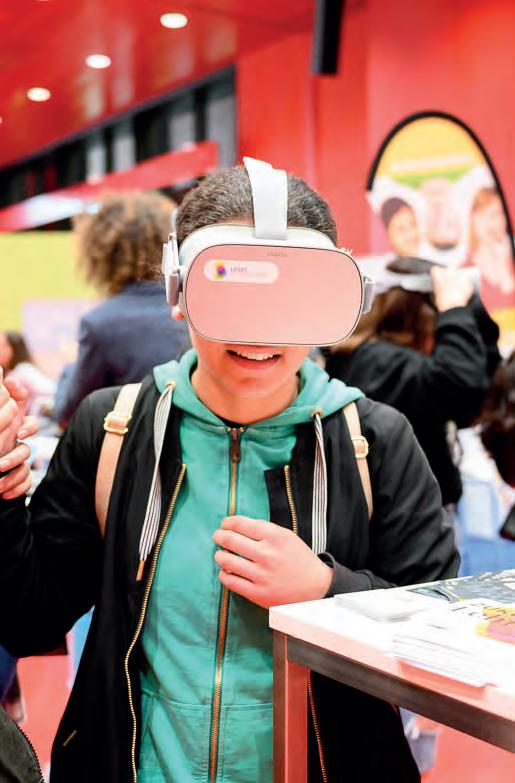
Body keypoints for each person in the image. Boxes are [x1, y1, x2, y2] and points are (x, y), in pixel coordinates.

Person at [0, 163, 459, 783]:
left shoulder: (374, 440)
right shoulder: (112, 429)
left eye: (288, 297)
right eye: (231, 288)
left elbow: (435, 633)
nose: (258, 333)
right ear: (179, 291)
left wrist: (325, 591)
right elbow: (28, 619)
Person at [326, 263, 501, 506]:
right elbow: (461, 383)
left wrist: (470, 308)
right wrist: (454, 309)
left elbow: (485, 391)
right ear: (423, 317)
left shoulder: (392, 362)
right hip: (396, 513)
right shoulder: (374, 363)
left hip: (421, 505)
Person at [53, 192, 190, 425]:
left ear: (101, 251)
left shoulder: (101, 323)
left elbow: (68, 412)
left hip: (130, 443)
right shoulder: (193, 308)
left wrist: (70, 364)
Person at [464, 187, 515, 311]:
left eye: (496, 214)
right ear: (472, 219)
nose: (489, 222)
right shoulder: (465, 270)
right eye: (483, 215)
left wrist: (504, 269)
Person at [0, 331, 55, 417]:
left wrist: (36, 411)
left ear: (15, 348)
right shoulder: (9, 372)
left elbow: (51, 391)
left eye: (3, 346)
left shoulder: (23, 370)